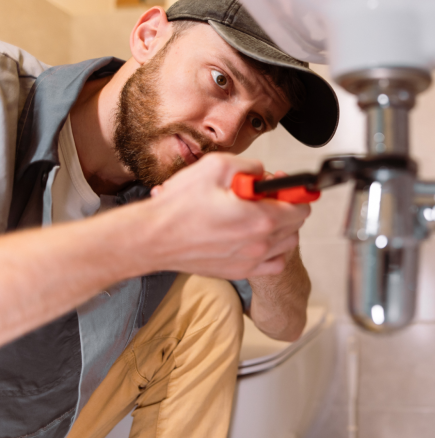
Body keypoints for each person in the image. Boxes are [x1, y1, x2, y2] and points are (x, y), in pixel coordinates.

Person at [0, 0, 339, 436]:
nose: (228, 133)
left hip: (48, 421)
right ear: (149, 36)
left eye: (256, 121)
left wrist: (275, 248)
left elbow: (287, 324)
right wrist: (154, 234)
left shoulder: (184, 178)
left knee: (208, 300)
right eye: (221, 80)